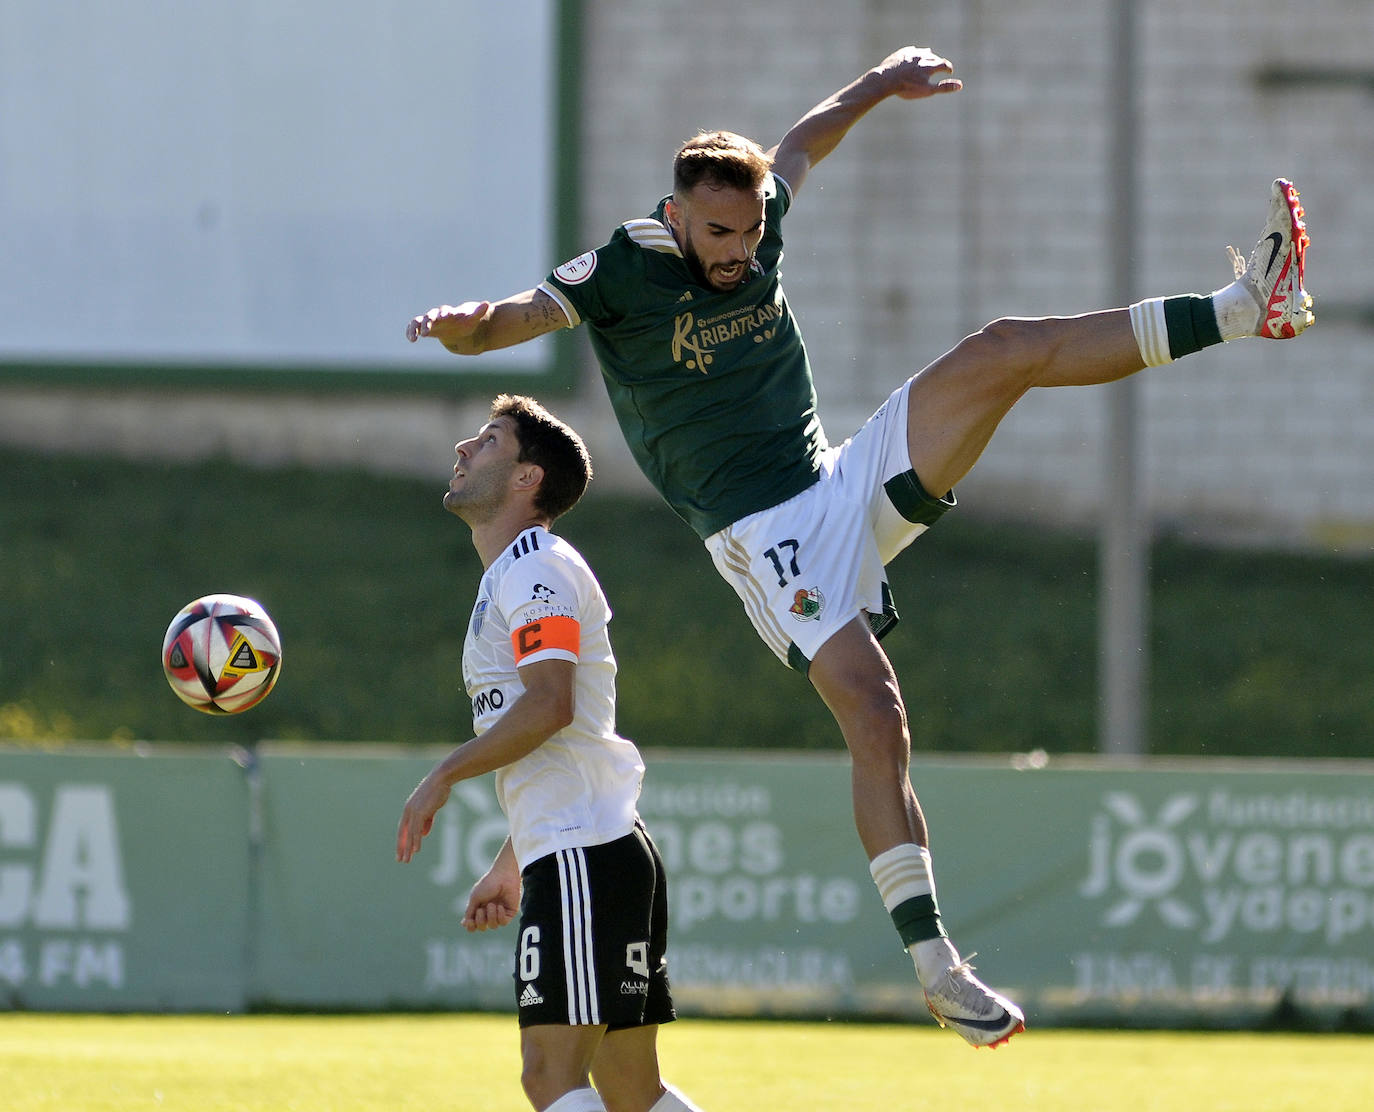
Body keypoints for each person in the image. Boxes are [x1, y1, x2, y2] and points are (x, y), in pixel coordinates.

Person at [405, 46, 1314, 1048]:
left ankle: (1242, 309)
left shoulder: (759, 222)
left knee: (1003, 349)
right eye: (719, 232)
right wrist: (467, 325)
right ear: (676, 214)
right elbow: (521, 316)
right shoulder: (623, 266)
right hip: (762, 534)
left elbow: (800, 144)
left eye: (752, 231)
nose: (739, 249)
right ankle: (938, 965)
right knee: (877, 711)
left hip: (840, 477)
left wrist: (881, 83)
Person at [396, 394, 705, 1112]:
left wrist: (443, 774)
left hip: (585, 855)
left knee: (548, 1073)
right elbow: (558, 742)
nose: (463, 450)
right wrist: (514, 857)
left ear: (528, 478)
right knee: (632, 1089)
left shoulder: (534, 566)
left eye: (490, 440)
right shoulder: (515, 573)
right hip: (589, 846)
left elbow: (551, 704)